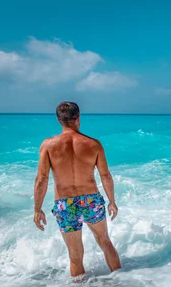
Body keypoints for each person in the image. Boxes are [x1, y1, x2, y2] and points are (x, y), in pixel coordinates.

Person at [33, 102, 121, 277]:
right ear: (78, 119)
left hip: (65, 204)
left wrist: (37, 209)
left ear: (59, 120)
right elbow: (106, 176)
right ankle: (122, 282)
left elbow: (42, 179)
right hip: (91, 200)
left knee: (75, 255)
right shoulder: (94, 144)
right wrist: (112, 201)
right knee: (105, 242)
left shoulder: (48, 145)